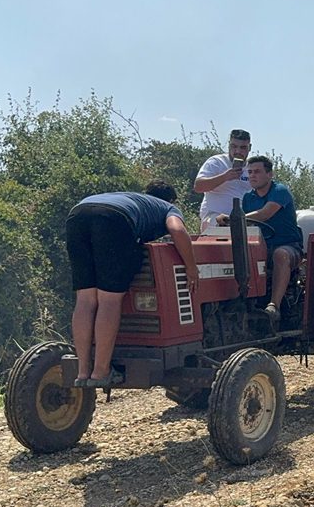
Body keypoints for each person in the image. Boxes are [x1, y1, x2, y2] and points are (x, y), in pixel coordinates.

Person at [66, 181, 199, 387]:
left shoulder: (134, 199)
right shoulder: (168, 208)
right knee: (109, 299)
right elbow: (177, 229)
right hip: (113, 219)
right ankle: (101, 372)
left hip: (77, 215)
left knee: (85, 299)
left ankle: (83, 371)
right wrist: (191, 268)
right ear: (171, 200)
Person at [215, 155, 301, 322]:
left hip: (288, 246)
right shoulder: (248, 197)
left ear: (270, 174)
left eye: (257, 172)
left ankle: (273, 306)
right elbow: (246, 224)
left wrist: (235, 218)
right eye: (250, 172)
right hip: (260, 247)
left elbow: (264, 214)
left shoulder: (279, 191)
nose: (253, 175)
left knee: (280, 255)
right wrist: (227, 222)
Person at [194, 129, 253, 231]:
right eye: (234, 146)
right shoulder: (216, 162)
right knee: (227, 227)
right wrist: (224, 177)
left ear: (249, 148)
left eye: (243, 147)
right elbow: (198, 186)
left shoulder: (253, 168)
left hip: (243, 219)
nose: (238, 151)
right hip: (215, 218)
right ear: (229, 145)